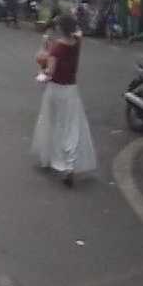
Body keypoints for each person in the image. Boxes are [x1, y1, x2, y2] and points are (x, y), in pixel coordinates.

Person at [31, 13, 96, 187]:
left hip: (55, 90)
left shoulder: (57, 48)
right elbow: (79, 32)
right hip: (71, 91)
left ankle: (48, 157)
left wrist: (43, 58)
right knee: (71, 128)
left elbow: (50, 72)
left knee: (51, 123)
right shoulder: (77, 42)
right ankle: (70, 166)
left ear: (60, 28)